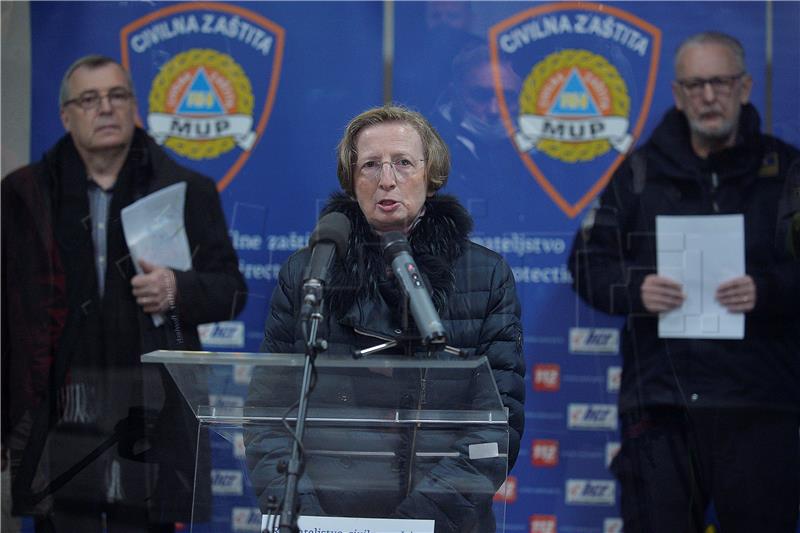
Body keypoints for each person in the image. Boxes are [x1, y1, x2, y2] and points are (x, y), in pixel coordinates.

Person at [245, 104, 525, 533]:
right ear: (352, 180)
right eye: (370, 165)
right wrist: (306, 519)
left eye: (403, 163)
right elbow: (268, 418)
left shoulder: (485, 276)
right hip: (324, 521)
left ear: (431, 177)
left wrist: (417, 523)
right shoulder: (307, 273)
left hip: (443, 523)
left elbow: (498, 425)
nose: (387, 180)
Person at [1, 55, 247, 532]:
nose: (106, 108)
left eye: (117, 96)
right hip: (59, 415)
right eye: (89, 99)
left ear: (134, 106)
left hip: (148, 412)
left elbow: (231, 292)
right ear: (66, 116)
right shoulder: (23, 197)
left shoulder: (187, 189)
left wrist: (179, 288)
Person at [568, 32, 800, 533]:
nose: (708, 97)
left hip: (759, 404)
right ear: (677, 93)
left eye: (719, 82)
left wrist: (768, 290)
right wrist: (636, 289)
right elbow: (586, 263)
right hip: (660, 407)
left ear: (744, 87)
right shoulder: (638, 172)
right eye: (695, 85)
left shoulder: (786, 173)